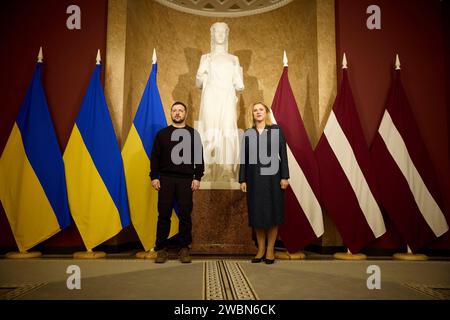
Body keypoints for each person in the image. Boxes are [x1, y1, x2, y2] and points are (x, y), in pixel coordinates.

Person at [150, 101, 204, 263]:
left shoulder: (193, 134)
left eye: (181, 110)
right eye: (175, 110)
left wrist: (197, 177)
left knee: (185, 215)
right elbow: (155, 157)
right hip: (165, 179)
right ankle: (161, 248)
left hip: (186, 180)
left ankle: (184, 248)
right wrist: (154, 176)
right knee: (164, 214)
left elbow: (199, 157)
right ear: (171, 113)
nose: (178, 113)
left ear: (185, 114)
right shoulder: (162, 134)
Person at [239, 102, 289, 264]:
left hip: (273, 178)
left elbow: (283, 154)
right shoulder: (248, 133)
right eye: (255, 110)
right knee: (257, 214)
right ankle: (260, 249)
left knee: (273, 213)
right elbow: (244, 158)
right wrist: (242, 179)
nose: (258, 112)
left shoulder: (276, 130)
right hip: (253, 179)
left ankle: (270, 250)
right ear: (252, 114)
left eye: (261, 109)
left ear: (266, 112)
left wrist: (284, 177)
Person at [196, 22, 244, 183]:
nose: (220, 35)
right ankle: (207, 169)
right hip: (210, 96)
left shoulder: (233, 59)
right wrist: (201, 69)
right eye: (217, 32)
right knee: (209, 130)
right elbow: (199, 83)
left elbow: (239, 84)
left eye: (223, 32)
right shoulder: (206, 58)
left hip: (227, 96)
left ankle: (227, 170)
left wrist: (238, 74)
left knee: (228, 131)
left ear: (227, 34)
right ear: (212, 34)